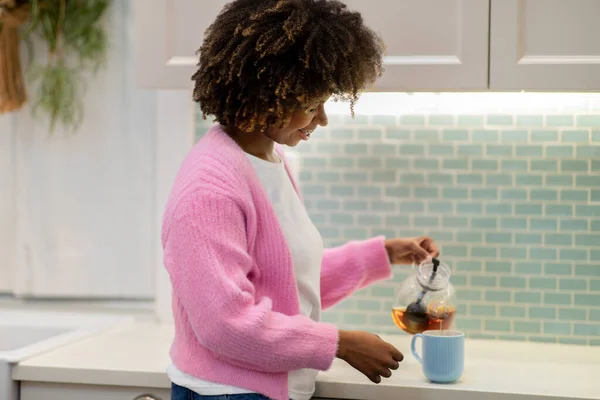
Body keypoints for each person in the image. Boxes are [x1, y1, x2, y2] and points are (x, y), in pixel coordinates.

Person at [161, 1, 440, 399]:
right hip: (225, 392)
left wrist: (383, 254)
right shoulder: (209, 189)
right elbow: (224, 325)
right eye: (311, 105)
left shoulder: (270, 163)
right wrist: (340, 343)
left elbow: (286, 285)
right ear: (266, 97)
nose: (322, 118)